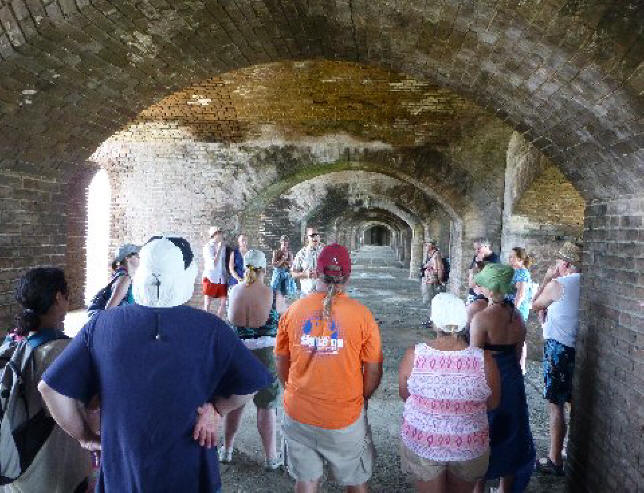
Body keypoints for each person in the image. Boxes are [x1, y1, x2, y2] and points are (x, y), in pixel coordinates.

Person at [38, 235, 274, 492]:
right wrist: (216, 409)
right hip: (189, 470)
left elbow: (50, 388)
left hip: (125, 470)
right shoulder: (210, 328)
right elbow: (250, 383)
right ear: (184, 276)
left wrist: (86, 438)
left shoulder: (101, 325)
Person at [276, 243, 383, 493]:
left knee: (306, 481)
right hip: (343, 415)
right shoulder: (362, 315)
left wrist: (293, 390)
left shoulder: (293, 311)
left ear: (315, 271)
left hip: (299, 411)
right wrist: (361, 398)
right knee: (355, 480)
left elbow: (282, 362)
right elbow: (373, 370)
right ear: (348, 275)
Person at [398, 293, 501, 493]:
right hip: (468, 443)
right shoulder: (484, 360)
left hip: (424, 440)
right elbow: (493, 403)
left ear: (434, 323)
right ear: (463, 323)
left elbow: (405, 395)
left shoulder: (415, 355)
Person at [5, 267, 92, 493]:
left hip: (17, 466)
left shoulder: (14, 342)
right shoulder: (63, 351)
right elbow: (86, 408)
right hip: (52, 472)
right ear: (58, 297)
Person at [470, 264, 535, 492]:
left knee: (484, 432)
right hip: (512, 379)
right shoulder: (517, 317)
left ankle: (479, 488)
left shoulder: (482, 319)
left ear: (490, 289)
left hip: (489, 377)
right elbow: (517, 357)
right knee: (511, 432)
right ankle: (505, 488)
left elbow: (474, 359)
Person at [221, 249, 282, 470]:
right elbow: (281, 323)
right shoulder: (272, 294)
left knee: (236, 403)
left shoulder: (233, 291)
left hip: (237, 353)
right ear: (264, 269)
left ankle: (226, 450)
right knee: (266, 405)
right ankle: (271, 458)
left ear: (244, 268)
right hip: (265, 354)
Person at [531, 241, 582, 477]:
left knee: (555, 404)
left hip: (558, 350)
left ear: (565, 263)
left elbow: (534, 305)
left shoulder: (558, 283)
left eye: (559, 262)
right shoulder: (587, 282)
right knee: (574, 402)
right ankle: (568, 449)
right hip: (579, 349)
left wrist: (546, 278)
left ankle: (554, 460)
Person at [203, 226, 229, 318]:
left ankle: (218, 322)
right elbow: (213, 264)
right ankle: (205, 322)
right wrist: (219, 249)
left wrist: (225, 275)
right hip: (210, 277)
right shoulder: (207, 247)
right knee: (207, 303)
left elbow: (222, 262)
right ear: (214, 235)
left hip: (221, 277)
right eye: (219, 233)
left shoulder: (223, 247)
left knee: (224, 301)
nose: (221, 234)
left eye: (221, 232)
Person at [291, 227, 325, 298]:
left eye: (317, 235)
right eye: (312, 235)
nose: (315, 237)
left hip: (323, 296)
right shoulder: (301, 254)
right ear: (307, 238)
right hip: (306, 296)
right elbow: (293, 274)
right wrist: (305, 274)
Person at [105, 243, 140, 309]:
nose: (139, 258)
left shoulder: (120, 274)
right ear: (127, 258)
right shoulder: (124, 279)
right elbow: (109, 309)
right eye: (137, 256)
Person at [467, 239, 499, 305]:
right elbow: (471, 270)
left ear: (486, 246)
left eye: (478, 248)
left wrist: (480, 262)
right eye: (475, 249)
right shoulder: (477, 256)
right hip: (474, 290)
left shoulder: (494, 259)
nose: (476, 251)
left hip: (484, 293)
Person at [507, 247, 533, 322]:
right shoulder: (517, 271)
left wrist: (513, 315)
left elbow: (520, 295)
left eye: (512, 256)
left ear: (520, 259)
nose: (509, 258)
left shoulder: (522, 273)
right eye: (509, 256)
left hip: (517, 312)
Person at [271, 235, 295, 312]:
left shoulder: (290, 253)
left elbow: (291, 264)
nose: (285, 243)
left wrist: (284, 262)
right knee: (276, 293)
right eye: (283, 241)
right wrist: (282, 260)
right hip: (278, 275)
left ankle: (286, 311)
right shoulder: (276, 252)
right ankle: (275, 310)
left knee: (287, 294)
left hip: (286, 275)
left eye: (286, 242)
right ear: (280, 242)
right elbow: (274, 265)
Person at [420, 240, 444, 308]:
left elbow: (440, 268)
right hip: (427, 277)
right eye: (425, 245)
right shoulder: (428, 254)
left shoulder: (436, 255)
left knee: (432, 294)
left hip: (433, 278)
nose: (426, 247)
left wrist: (440, 279)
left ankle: (434, 308)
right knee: (427, 293)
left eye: (427, 245)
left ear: (432, 246)